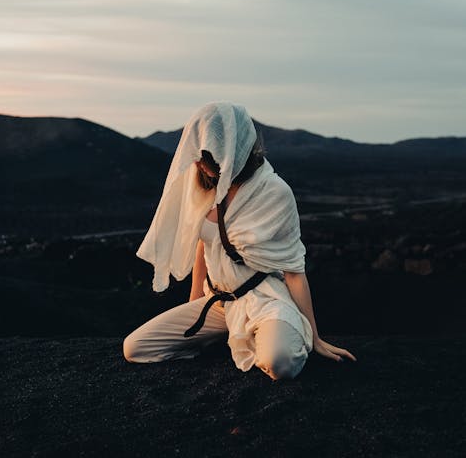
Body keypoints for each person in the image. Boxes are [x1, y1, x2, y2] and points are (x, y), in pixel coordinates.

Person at [123, 102, 356, 380]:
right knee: (135, 348)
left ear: (233, 148)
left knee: (279, 363)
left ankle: (269, 333)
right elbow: (204, 247)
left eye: (207, 155)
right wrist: (193, 308)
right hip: (218, 303)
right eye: (197, 154)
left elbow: (294, 271)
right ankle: (233, 335)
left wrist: (315, 338)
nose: (199, 163)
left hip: (263, 300)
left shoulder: (274, 193)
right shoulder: (206, 188)